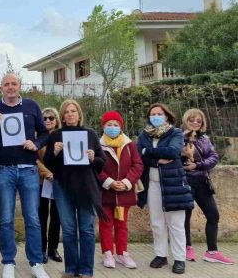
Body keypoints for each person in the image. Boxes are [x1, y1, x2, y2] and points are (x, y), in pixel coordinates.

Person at [0, 73, 49, 278]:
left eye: (14, 84)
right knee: (6, 219)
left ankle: (36, 262)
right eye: (6, 84)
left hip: (28, 168)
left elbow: (44, 133)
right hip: (3, 169)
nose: (10, 87)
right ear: (1, 88)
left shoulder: (31, 106)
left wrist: (35, 144)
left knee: (33, 218)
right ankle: (8, 261)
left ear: (20, 86)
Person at [43, 99, 105, 278]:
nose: (70, 114)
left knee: (86, 229)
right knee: (69, 230)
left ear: (79, 114)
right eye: (67, 112)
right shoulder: (56, 135)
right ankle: (71, 269)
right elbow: (48, 162)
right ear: (62, 116)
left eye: (73, 111)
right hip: (63, 186)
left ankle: (86, 270)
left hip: (86, 186)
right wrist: (54, 152)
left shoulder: (90, 134)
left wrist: (94, 158)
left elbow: (102, 162)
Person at [137, 103, 193, 275]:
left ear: (166, 116)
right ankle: (161, 255)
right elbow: (139, 155)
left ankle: (179, 259)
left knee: (175, 223)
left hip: (173, 183)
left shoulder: (175, 133)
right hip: (152, 183)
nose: (155, 116)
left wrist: (148, 151)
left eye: (159, 113)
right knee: (156, 223)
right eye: (152, 114)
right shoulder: (144, 135)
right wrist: (155, 160)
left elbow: (173, 152)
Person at [181, 108, 233, 264]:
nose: (195, 123)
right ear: (185, 120)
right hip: (186, 182)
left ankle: (212, 252)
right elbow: (176, 156)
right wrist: (187, 158)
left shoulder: (204, 139)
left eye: (199, 120)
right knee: (185, 217)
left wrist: (197, 164)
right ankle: (185, 248)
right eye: (192, 120)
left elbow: (214, 157)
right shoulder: (178, 137)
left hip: (202, 182)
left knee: (213, 215)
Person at [97, 110, 143, 269]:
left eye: (116, 125)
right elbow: (95, 167)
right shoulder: (98, 144)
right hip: (105, 193)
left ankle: (122, 253)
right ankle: (108, 253)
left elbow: (137, 165)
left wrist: (126, 182)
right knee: (105, 224)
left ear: (121, 127)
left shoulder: (129, 145)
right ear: (103, 126)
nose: (112, 127)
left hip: (124, 193)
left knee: (121, 225)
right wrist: (108, 182)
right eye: (109, 124)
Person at [36, 108, 62, 264]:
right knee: (41, 216)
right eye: (44, 118)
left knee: (57, 216)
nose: (48, 121)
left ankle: (53, 248)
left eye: (51, 118)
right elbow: (34, 159)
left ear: (56, 119)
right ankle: (41, 249)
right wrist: (46, 173)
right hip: (41, 181)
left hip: (59, 181)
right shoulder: (38, 138)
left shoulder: (62, 136)